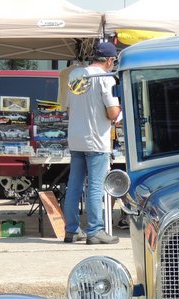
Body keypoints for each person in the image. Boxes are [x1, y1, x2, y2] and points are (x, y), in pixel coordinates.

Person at [62, 41, 122, 244]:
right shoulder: (106, 79)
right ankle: (95, 230)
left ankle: (71, 230)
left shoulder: (76, 75)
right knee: (96, 186)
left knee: (74, 185)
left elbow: (69, 109)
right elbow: (113, 112)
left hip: (76, 138)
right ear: (109, 60)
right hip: (96, 139)